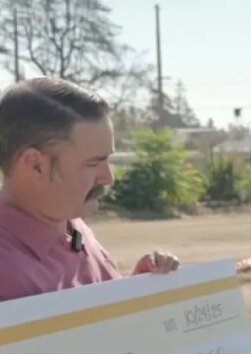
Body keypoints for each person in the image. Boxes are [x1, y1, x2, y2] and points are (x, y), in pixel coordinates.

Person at [0, 77, 179, 303]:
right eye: (94, 163)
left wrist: (139, 288)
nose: (108, 178)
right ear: (36, 165)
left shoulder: (73, 229)